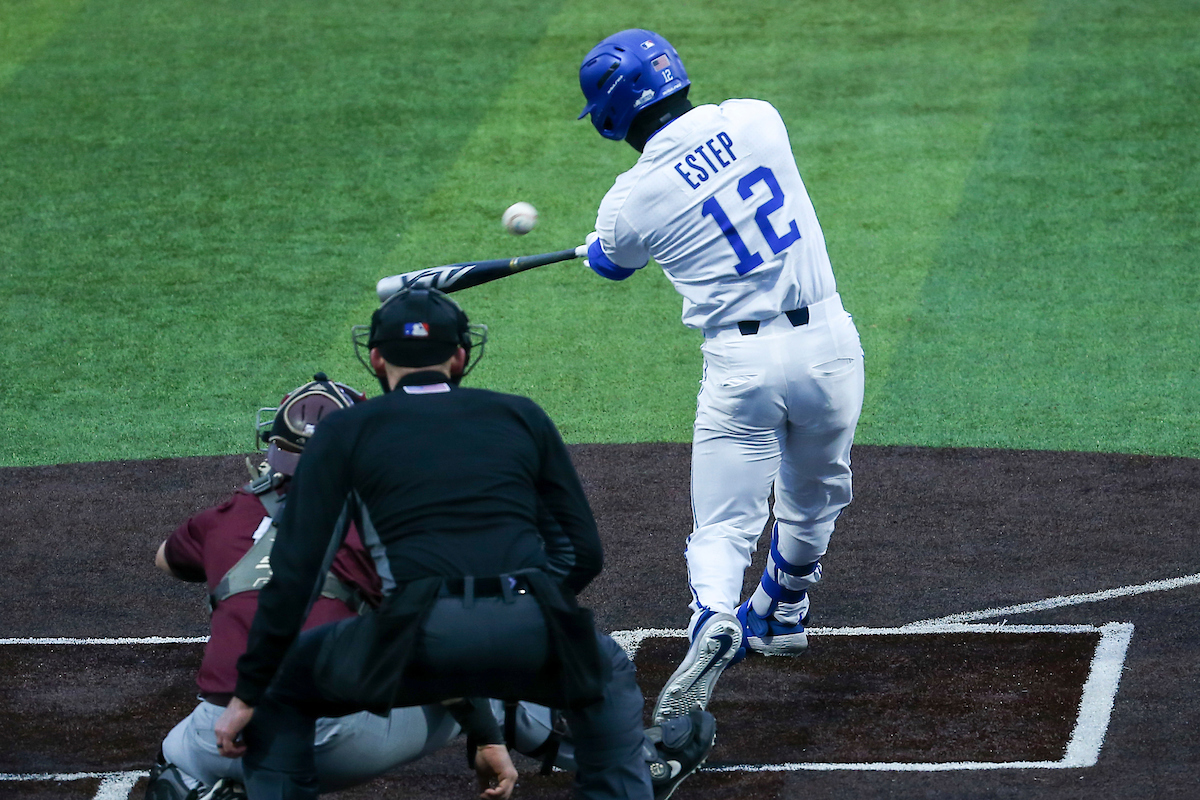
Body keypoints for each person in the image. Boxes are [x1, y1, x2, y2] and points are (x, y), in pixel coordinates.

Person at [211, 288, 717, 800]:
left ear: (375, 358)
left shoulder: (346, 429)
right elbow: (583, 552)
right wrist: (525, 607)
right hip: (529, 623)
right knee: (605, 673)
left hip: (412, 637)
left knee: (278, 689)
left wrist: (247, 693)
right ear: (459, 356)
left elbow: (296, 572)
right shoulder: (521, 416)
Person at [576, 29, 866, 725]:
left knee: (724, 523)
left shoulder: (628, 201)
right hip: (829, 344)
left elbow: (613, 263)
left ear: (613, 114)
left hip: (743, 368)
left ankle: (714, 618)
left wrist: (595, 249)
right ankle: (784, 609)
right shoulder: (757, 117)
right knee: (815, 493)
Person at [145, 374, 580, 800]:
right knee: (475, 655)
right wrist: (485, 739)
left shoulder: (225, 516)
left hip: (222, 731)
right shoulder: (383, 522)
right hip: (332, 737)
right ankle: (595, 754)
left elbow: (167, 558)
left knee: (176, 763)